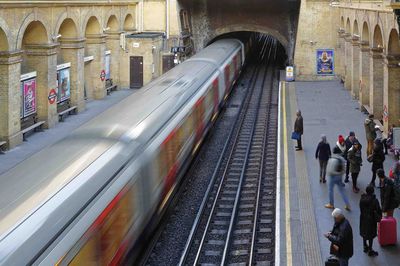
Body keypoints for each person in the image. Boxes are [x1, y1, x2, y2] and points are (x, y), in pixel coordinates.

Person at [359, 185, 381, 257]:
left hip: (363, 218)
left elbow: (361, 208)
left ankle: (365, 246)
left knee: (364, 232)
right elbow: (378, 210)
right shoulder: (374, 200)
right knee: (371, 235)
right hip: (371, 220)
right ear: (373, 191)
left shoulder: (362, 199)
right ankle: (370, 250)